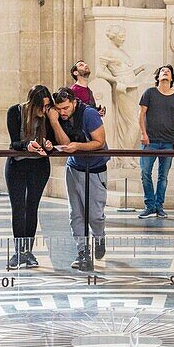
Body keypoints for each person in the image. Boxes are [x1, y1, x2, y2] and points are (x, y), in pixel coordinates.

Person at [47, 87, 108, 271]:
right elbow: (65, 143)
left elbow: (99, 142)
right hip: (74, 167)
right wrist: (54, 121)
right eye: (59, 109)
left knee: (95, 215)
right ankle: (82, 252)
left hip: (95, 168)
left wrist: (78, 146)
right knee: (76, 214)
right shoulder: (58, 117)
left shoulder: (89, 114)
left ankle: (99, 237)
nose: (62, 112)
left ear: (74, 102)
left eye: (65, 108)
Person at [6, 85, 54, 270]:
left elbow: (52, 141)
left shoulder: (47, 117)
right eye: (41, 106)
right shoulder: (15, 112)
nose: (44, 110)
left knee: (32, 207)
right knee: (18, 208)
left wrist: (48, 145)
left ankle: (28, 252)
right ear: (31, 103)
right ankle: (18, 251)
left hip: (39, 166)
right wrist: (27, 146)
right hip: (17, 165)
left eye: (47, 106)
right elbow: (14, 143)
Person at [138, 64, 174, 219]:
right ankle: (149, 205)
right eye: (162, 71)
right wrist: (144, 134)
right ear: (158, 76)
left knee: (163, 176)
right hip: (149, 141)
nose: (165, 72)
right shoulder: (150, 93)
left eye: (168, 71)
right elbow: (141, 115)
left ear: (172, 78)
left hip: (168, 142)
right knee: (145, 173)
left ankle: (159, 206)